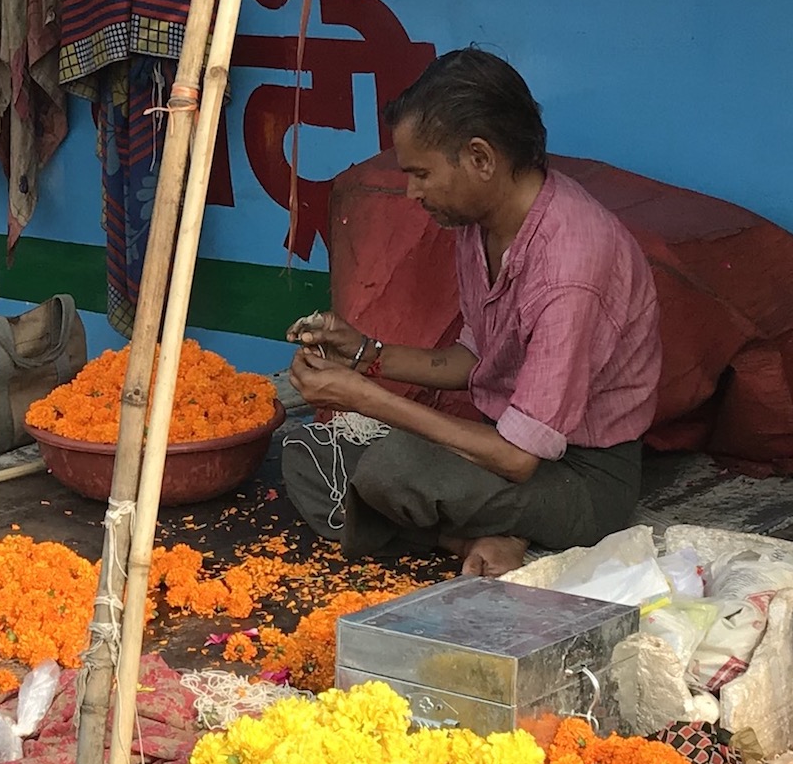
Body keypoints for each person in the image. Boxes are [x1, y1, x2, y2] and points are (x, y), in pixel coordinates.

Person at [279, 47, 661, 575]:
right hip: (502, 454)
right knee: (306, 452)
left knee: (388, 471)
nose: (412, 191)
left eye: (421, 174)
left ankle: (475, 532)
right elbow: (473, 361)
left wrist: (364, 398)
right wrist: (364, 354)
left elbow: (518, 458)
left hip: (582, 478)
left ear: (480, 159)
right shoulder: (481, 221)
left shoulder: (570, 264)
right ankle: (478, 539)